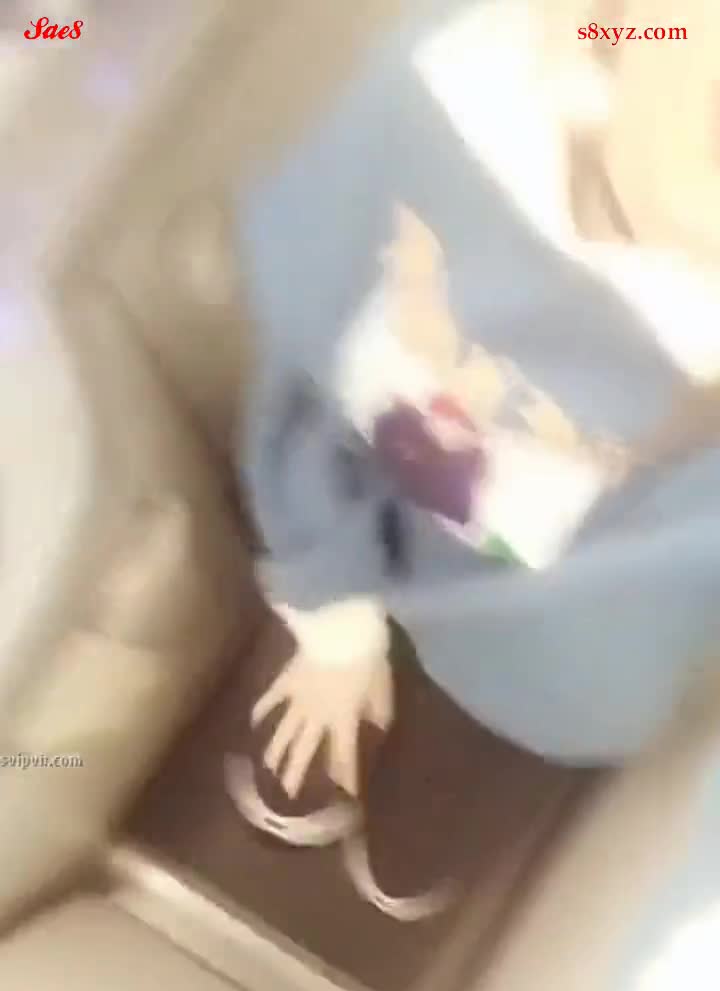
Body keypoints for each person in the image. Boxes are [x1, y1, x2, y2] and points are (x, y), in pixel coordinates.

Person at [227, 0, 720, 913]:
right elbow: (312, 365)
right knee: (340, 550)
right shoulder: (440, 120)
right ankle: (347, 625)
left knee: (548, 698)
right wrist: (331, 606)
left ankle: (485, 725)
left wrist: (580, 704)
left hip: (556, 622)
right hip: (387, 499)